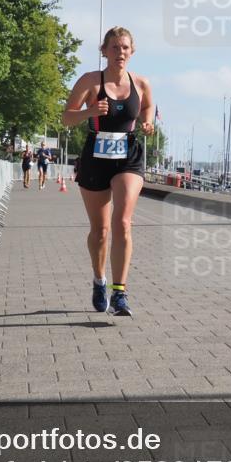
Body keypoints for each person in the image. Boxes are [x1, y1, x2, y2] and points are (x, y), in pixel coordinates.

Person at [62, 26, 154, 316]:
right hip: (95, 157)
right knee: (100, 231)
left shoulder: (140, 83)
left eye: (125, 47)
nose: (120, 53)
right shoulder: (90, 80)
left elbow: (148, 107)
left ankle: (120, 293)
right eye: (114, 47)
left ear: (132, 51)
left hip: (128, 155)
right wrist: (90, 112)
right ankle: (99, 280)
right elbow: (66, 117)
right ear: (104, 51)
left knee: (123, 222)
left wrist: (148, 123)